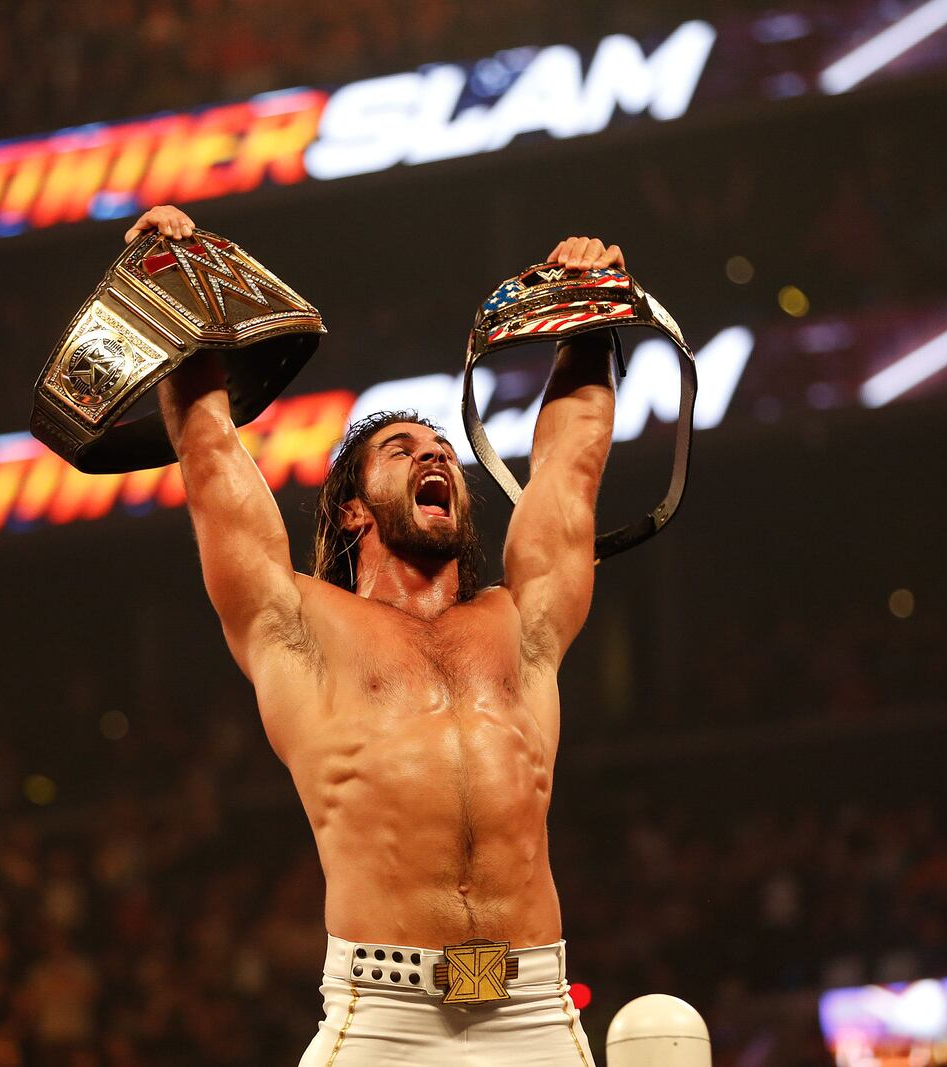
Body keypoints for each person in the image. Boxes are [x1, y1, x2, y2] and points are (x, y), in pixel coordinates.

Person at [126, 204, 624, 1065]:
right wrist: (166, 286)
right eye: (402, 448)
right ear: (354, 506)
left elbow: (573, 468)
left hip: (533, 1007)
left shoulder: (521, 620)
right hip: (385, 1020)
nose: (434, 456)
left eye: (443, 450)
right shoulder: (301, 625)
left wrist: (589, 317)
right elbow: (210, 459)